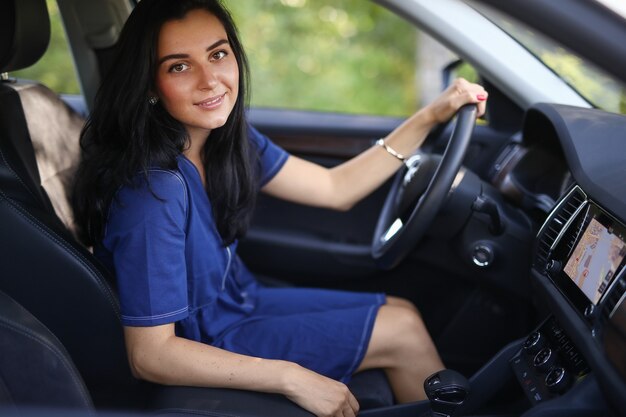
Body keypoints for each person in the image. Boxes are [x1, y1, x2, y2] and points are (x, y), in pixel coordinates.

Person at [71, 1, 487, 416]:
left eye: (218, 55)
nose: (210, 80)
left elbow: (335, 187)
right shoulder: (151, 192)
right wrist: (291, 376)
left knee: (401, 310)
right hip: (202, 340)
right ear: (149, 84)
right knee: (403, 332)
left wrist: (432, 114)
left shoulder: (223, 141)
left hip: (238, 302)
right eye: (179, 66)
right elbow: (150, 355)